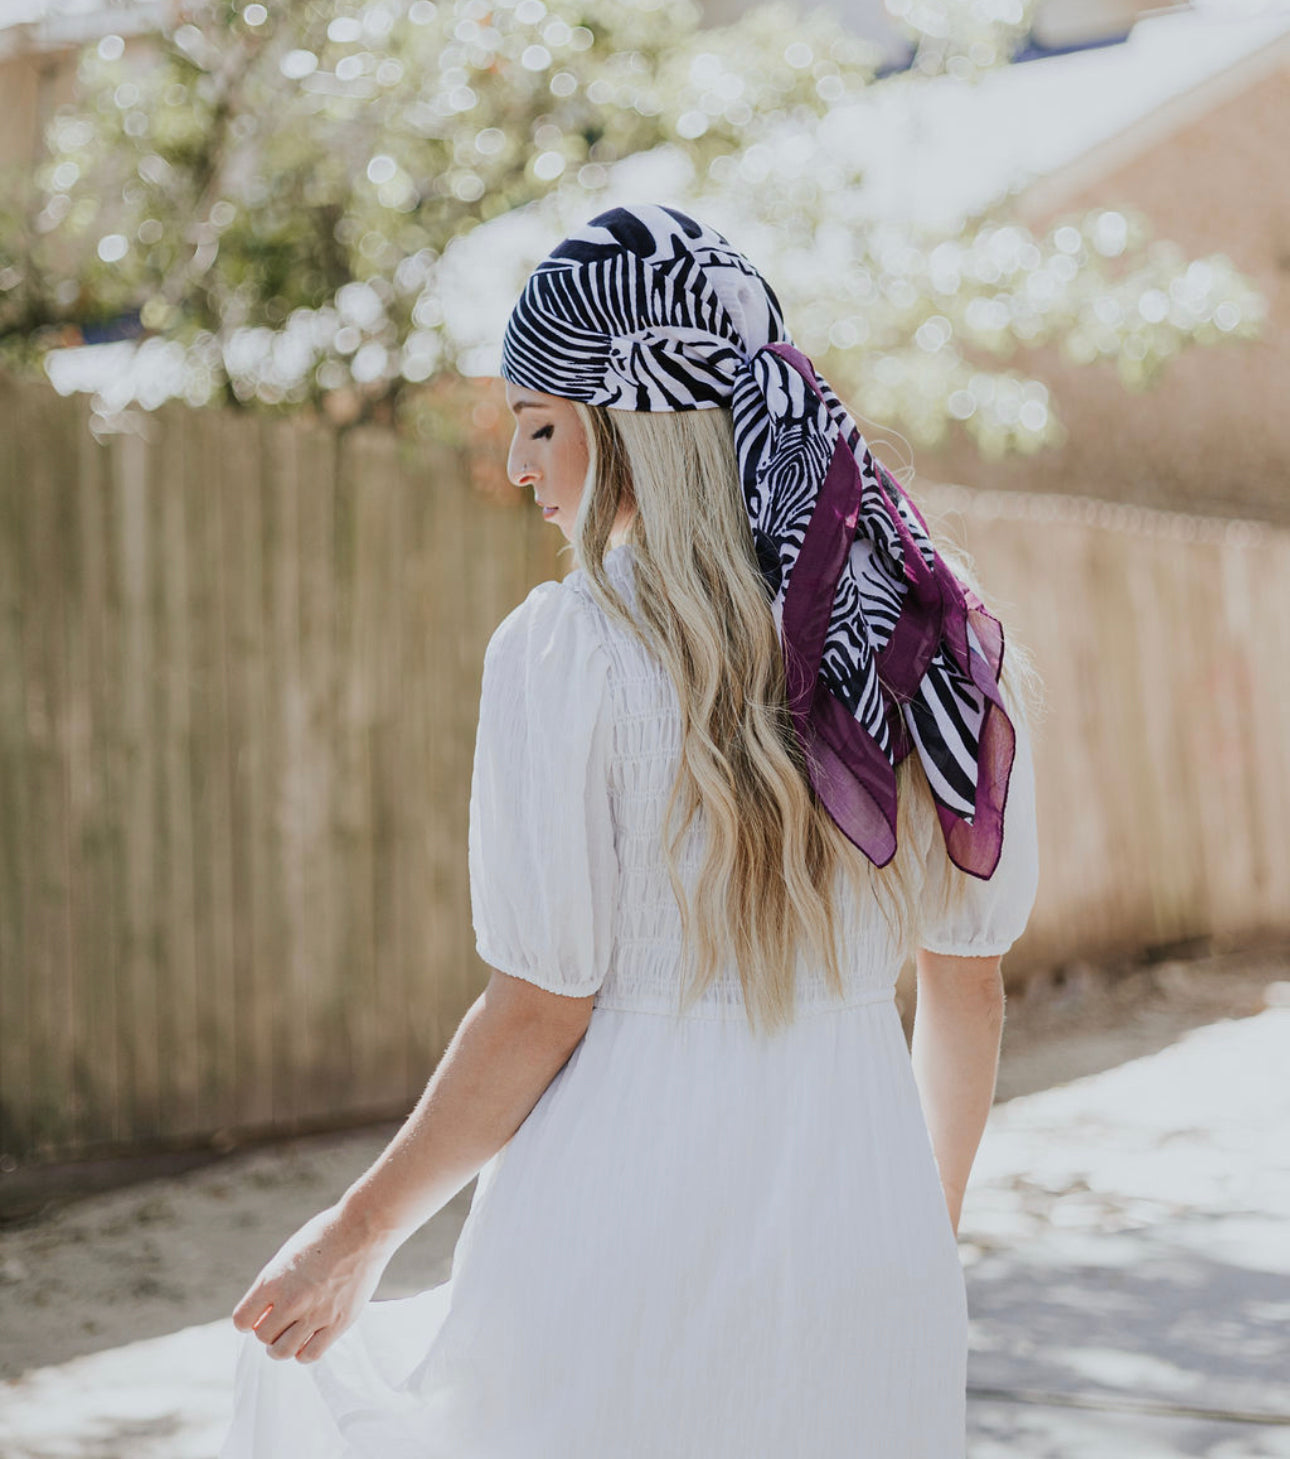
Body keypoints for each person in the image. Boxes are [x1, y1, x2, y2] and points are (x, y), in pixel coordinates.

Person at [221, 202, 1041, 1458]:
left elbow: (541, 1005)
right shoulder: (933, 646)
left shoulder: (568, 655)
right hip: (863, 1234)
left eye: (541, 424)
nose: (517, 468)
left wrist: (357, 1233)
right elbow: (966, 989)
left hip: (617, 1230)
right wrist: (909, 1240)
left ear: (634, 430)